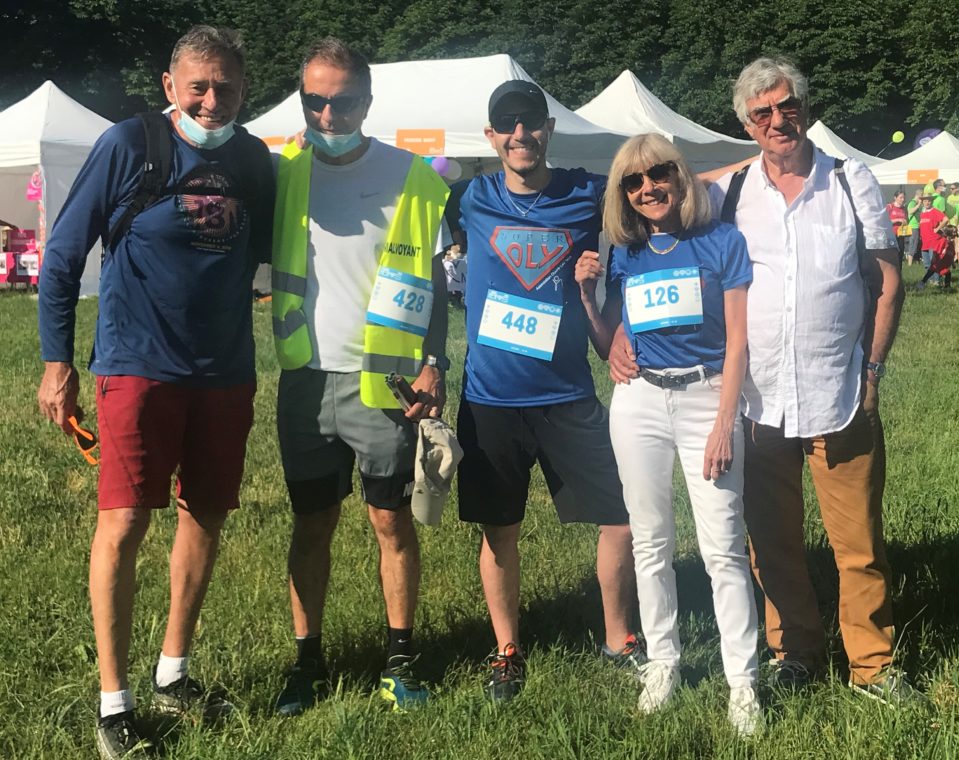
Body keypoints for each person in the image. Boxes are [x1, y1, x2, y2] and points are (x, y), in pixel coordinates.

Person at [611, 57, 919, 705]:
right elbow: (662, 218)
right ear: (748, 124)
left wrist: (875, 367)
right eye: (762, 114)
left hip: (841, 393)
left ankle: (872, 665)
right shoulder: (730, 193)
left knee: (858, 544)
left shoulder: (850, 181)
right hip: (757, 400)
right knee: (770, 545)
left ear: (803, 108)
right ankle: (794, 652)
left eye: (787, 107)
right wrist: (618, 331)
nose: (778, 121)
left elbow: (888, 282)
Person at [36, 25, 274, 759]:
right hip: (138, 366)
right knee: (126, 522)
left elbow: (269, 256)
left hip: (225, 372)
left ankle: (174, 673)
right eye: (197, 86)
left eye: (225, 87)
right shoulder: (129, 144)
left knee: (204, 518)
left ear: (244, 90)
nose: (211, 100)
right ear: (170, 87)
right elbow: (65, 255)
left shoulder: (255, 160)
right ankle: (115, 703)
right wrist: (57, 362)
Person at [270, 38, 451, 715]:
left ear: (366, 102)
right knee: (310, 525)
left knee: (390, 523)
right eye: (312, 100)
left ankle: (400, 662)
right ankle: (307, 663)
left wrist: (435, 363)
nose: (326, 113)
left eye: (341, 101)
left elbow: (432, 281)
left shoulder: (415, 177)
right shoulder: (281, 172)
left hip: (387, 386)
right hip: (306, 381)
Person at [455, 80, 641, 701]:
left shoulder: (586, 194)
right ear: (490, 138)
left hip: (567, 392)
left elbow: (657, 177)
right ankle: (506, 651)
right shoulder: (470, 197)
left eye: (530, 123)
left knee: (619, 515)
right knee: (499, 528)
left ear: (548, 130)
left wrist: (761, 155)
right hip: (491, 398)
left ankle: (620, 639)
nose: (519, 135)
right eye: (506, 125)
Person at [575, 134, 760, 734]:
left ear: (681, 178)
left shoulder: (722, 242)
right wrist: (586, 295)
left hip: (708, 398)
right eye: (633, 181)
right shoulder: (625, 252)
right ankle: (664, 662)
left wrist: (725, 423)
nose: (648, 187)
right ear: (623, 194)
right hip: (640, 403)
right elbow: (615, 343)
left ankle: (743, 684)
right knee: (651, 543)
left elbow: (738, 341)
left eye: (658, 174)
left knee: (723, 549)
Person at [918, 189, 950, 276]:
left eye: (929, 201)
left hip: (933, 241)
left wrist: (938, 228)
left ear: (932, 201)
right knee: (927, 264)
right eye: (925, 201)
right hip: (925, 242)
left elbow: (946, 219)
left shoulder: (935, 211)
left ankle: (936, 280)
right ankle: (930, 281)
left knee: (934, 263)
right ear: (923, 202)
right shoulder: (922, 213)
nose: (927, 203)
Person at [886, 190, 910, 261]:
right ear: (895, 198)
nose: (903, 199)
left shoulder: (903, 209)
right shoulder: (890, 207)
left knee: (900, 255)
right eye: (901, 197)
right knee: (891, 256)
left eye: (904, 198)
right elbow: (885, 221)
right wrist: (897, 220)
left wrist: (905, 222)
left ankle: (899, 271)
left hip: (901, 235)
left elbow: (906, 220)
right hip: (891, 235)